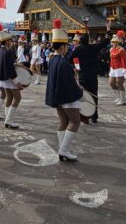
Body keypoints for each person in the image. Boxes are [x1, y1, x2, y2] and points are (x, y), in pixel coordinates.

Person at [44, 19, 83, 162]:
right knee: (75, 121)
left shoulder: (53, 59)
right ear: (63, 47)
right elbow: (69, 84)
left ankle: (63, 148)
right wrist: (79, 91)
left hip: (57, 96)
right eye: (66, 46)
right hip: (67, 96)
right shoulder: (63, 62)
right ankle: (63, 150)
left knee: (63, 120)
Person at [70, 21, 112, 123]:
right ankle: (94, 116)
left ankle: (86, 117)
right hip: (93, 75)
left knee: (85, 96)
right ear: (88, 40)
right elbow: (105, 41)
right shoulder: (93, 47)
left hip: (82, 75)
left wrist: (77, 67)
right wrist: (108, 29)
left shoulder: (77, 49)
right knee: (94, 95)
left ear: (80, 41)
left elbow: (70, 59)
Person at [0, 24, 21, 129]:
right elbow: (10, 68)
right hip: (10, 79)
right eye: (10, 40)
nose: (11, 41)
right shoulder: (7, 51)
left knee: (9, 97)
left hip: (3, 78)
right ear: (6, 41)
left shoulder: (1, 50)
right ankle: (9, 120)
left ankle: (7, 118)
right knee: (18, 97)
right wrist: (17, 81)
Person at [108, 31, 126, 105]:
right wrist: (111, 68)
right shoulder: (111, 49)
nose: (112, 43)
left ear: (117, 42)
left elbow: (123, 60)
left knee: (119, 84)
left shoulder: (121, 50)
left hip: (120, 68)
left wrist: (125, 71)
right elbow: (111, 59)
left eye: (114, 42)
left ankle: (122, 100)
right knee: (111, 83)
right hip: (113, 68)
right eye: (112, 42)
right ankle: (118, 97)